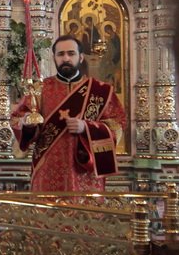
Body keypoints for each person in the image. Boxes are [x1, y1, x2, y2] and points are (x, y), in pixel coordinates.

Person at [10, 34, 126, 192]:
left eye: (71, 53)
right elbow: (17, 119)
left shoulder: (101, 91)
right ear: (54, 58)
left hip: (85, 171)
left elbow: (117, 125)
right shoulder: (39, 89)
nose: (66, 58)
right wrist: (27, 124)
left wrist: (86, 127)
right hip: (48, 168)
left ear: (81, 57)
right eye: (60, 54)